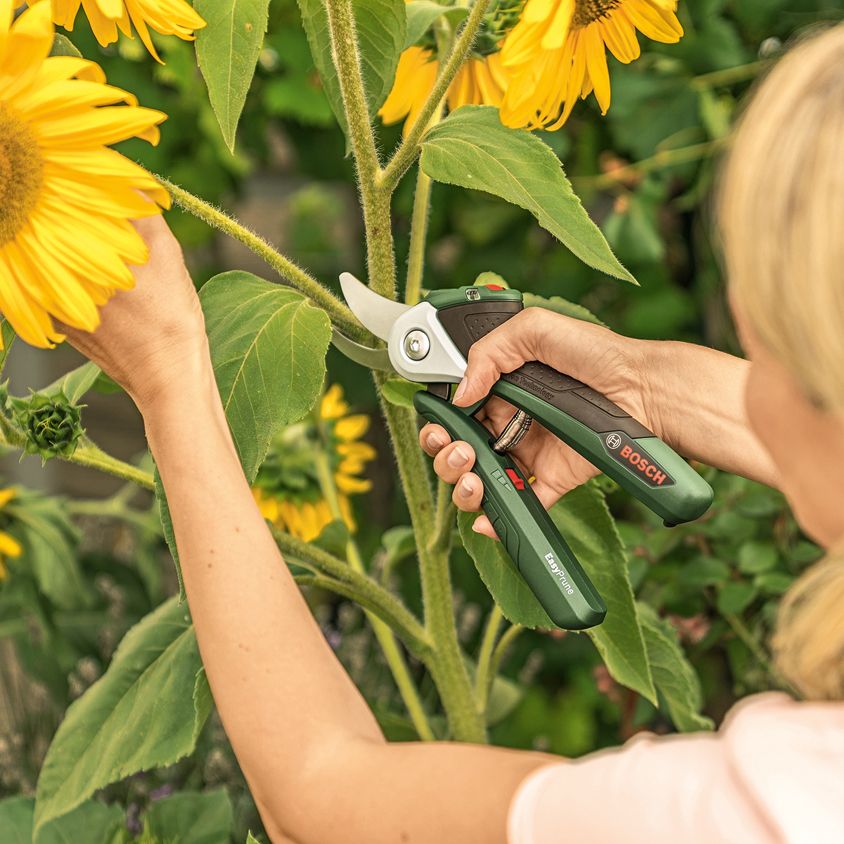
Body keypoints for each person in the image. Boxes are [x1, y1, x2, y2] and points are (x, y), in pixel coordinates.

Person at [63, 25, 844, 844]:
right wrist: (643, 386)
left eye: (760, 345)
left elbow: (318, 796)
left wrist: (172, 376)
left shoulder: (753, 812)